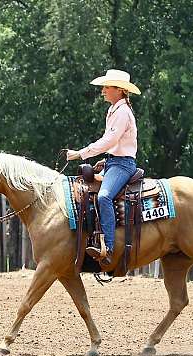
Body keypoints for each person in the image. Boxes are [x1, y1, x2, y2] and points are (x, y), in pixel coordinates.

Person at [67, 69, 140, 266]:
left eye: (107, 87)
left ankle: (108, 247)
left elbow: (109, 140)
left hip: (123, 164)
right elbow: (114, 143)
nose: (103, 90)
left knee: (104, 196)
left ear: (119, 90)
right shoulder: (115, 110)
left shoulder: (122, 112)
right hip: (115, 162)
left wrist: (81, 153)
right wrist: (106, 160)